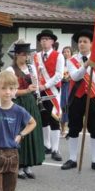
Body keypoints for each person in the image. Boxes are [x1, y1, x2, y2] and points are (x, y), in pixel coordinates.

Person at [61, 29, 95, 173]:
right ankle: (73, 159)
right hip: (76, 98)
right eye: (80, 41)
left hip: (93, 97)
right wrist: (86, 65)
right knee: (74, 128)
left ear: (91, 44)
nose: (81, 44)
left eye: (85, 42)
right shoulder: (71, 60)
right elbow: (74, 77)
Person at [6, 41, 45, 179]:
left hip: (30, 102)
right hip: (18, 103)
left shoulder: (31, 68)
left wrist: (36, 86)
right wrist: (27, 90)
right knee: (19, 133)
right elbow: (11, 91)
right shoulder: (10, 70)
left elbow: (36, 87)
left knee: (31, 133)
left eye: (28, 54)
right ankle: (19, 165)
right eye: (24, 55)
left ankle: (28, 165)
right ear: (17, 55)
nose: (26, 57)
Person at [33, 29, 64, 161]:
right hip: (39, 92)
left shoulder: (59, 56)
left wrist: (45, 85)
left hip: (52, 92)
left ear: (52, 41)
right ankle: (47, 145)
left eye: (47, 39)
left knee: (54, 119)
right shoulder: (36, 56)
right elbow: (33, 72)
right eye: (42, 39)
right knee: (43, 118)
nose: (44, 41)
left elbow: (59, 75)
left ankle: (56, 149)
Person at [60, 46, 73, 136]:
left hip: (71, 87)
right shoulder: (60, 63)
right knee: (63, 106)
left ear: (71, 53)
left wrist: (70, 77)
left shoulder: (74, 63)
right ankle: (62, 128)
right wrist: (62, 78)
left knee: (71, 107)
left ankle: (71, 128)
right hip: (62, 87)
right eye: (64, 52)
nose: (66, 53)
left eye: (68, 51)